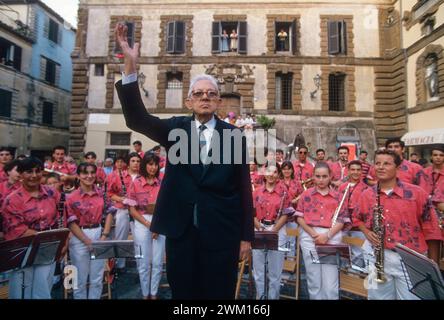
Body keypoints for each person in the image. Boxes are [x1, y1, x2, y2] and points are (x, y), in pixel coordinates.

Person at [114, 23, 253, 299]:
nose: (205, 97)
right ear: (189, 101)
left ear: (218, 102)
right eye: (199, 94)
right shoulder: (175, 130)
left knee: (219, 295)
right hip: (181, 232)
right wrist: (130, 68)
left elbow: (244, 189)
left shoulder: (234, 136)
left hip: (221, 234)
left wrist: (246, 237)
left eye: (211, 94)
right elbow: (137, 119)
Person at [353, 150, 441, 300]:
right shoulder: (366, 195)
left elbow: (432, 230)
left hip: (411, 260)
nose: (380, 167)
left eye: (386, 163)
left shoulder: (417, 193)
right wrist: (366, 232)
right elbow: (356, 218)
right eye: (378, 163)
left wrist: (433, 265)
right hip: (377, 258)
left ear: (398, 168)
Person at [2, 157, 60, 299]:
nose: (34, 175)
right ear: (21, 175)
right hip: (24, 251)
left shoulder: (52, 193)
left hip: (48, 250)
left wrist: (63, 241)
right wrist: (47, 238)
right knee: (22, 292)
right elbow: (17, 229)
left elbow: (61, 217)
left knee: (43, 290)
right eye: (29, 172)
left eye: (38, 171)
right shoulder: (12, 199)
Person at [295, 162, 350, 300]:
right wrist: (313, 234)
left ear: (330, 176)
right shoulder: (306, 194)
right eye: (318, 176)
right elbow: (299, 217)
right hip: (309, 236)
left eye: (324, 176)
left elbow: (342, 220)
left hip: (331, 236)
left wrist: (327, 235)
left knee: (330, 283)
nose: (321, 180)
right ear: (313, 176)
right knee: (314, 280)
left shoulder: (338, 196)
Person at [65, 163, 112, 299]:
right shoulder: (71, 197)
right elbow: (71, 222)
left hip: (98, 233)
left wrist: (104, 235)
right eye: (85, 173)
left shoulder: (101, 193)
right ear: (78, 176)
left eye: (92, 172)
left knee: (97, 278)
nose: (89, 176)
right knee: (79, 279)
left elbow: (110, 212)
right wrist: (87, 241)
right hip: (79, 236)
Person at [252, 165, 293, 299]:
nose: (271, 174)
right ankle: (261, 298)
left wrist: (274, 230)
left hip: (277, 229)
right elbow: (251, 213)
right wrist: (260, 227)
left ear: (278, 175)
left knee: (275, 271)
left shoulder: (284, 192)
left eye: (275, 172)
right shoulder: (256, 192)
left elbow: (286, 214)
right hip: (259, 228)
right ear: (264, 174)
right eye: (269, 171)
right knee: (259, 270)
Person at [128, 153, 164, 299]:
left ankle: (154, 293)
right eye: (150, 164)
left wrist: (157, 225)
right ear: (145, 165)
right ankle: (145, 293)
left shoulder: (163, 181)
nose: (153, 167)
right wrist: (149, 225)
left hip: (161, 221)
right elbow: (132, 209)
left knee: (157, 261)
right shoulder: (135, 182)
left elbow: (167, 205)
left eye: (155, 164)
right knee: (143, 261)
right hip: (142, 221)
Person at [107, 152, 141, 269]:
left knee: (139, 238)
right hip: (123, 209)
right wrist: (121, 199)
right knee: (121, 237)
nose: (136, 163)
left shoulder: (143, 176)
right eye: (133, 161)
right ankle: (119, 266)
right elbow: (110, 194)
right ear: (128, 163)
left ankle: (140, 266)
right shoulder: (118, 175)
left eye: (138, 161)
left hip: (139, 212)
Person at [338, 160, 368, 268]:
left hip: (358, 227)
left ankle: (357, 275)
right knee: (343, 251)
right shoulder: (342, 187)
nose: (355, 172)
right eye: (353, 169)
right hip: (343, 225)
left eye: (358, 170)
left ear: (361, 172)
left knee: (358, 252)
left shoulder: (366, 189)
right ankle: (344, 276)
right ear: (348, 171)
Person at [424, 146, 444, 230]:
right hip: (427, 213)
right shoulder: (423, 172)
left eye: (441, 155)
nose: (438, 157)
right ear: (431, 157)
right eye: (435, 155)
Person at [0, 160, 21, 240]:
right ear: (8, 171)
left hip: (19, 223)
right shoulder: (1, 187)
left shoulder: (24, 188)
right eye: (17, 170)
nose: (19, 173)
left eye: (21, 171)